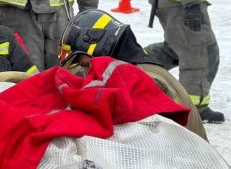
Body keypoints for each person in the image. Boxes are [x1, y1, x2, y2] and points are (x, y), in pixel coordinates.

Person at [58, 9, 208, 141]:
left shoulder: (144, 81)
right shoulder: (140, 70)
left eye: (86, 65)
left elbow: (146, 145)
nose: (88, 73)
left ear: (99, 49)